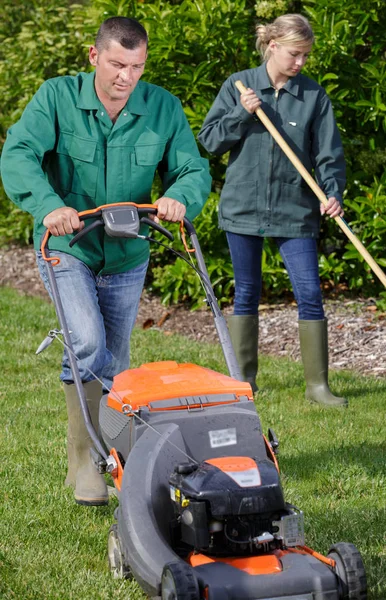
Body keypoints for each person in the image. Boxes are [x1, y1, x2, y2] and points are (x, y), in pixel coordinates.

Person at [1, 17, 211, 505]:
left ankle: (107, 459)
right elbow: (19, 153)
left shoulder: (161, 106)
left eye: (137, 66)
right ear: (94, 56)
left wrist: (180, 195)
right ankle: (83, 461)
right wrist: (48, 205)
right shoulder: (56, 97)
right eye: (117, 64)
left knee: (114, 363)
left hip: (127, 250)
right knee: (87, 341)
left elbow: (191, 167)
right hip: (67, 246)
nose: (127, 77)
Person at [198, 13, 347, 406]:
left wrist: (332, 193)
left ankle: (318, 387)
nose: (300, 63)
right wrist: (240, 112)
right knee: (246, 292)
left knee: (310, 293)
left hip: (295, 210)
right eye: (295, 54)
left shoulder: (313, 96)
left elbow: (330, 155)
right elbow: (210, 141)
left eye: (305, 57)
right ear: (273, 45)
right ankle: (243, 383)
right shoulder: (239, 85)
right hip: (243, 206)